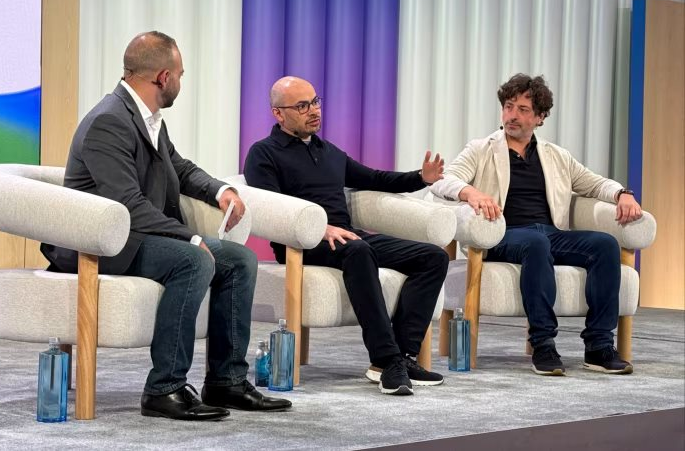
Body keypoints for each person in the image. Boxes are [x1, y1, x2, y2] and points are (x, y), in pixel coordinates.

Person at [41, 31, 291, 420]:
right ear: (164, 77)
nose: (180, 82)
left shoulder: (147, 118)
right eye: (180, 74)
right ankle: (165, 387)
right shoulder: (109, 121)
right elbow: (127, 204)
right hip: (101, 245)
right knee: (194, 259)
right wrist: (190, 236)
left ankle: (226, 381)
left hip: (133, 236)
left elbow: (180, 168)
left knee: (240, 259)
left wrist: (220, 191)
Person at [244, 76, 450, 396]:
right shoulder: (263, 153)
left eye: (315, 102)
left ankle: (403, 355)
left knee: (432, 257)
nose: (314, 110)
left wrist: (420, 178)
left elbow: (375, 178)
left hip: (347, 237)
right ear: (278, 113)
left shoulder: (329, 152)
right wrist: (319, 229)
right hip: (303, 243)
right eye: (302, 106)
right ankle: (385, 359)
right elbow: (270, 206)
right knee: (358, 250)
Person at [430, 73, 641, 376]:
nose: (512, 115)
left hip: (549, 233)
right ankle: (543, 344)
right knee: (536, 243)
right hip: (502, 234)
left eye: (523, 109)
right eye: (508, 107)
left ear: (540, 117)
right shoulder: (481, 149)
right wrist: (470, 192)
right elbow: (442, 181)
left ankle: (599, 346)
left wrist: (623, 193)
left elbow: (594, 183)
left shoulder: (556, 156)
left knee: (605, 244)